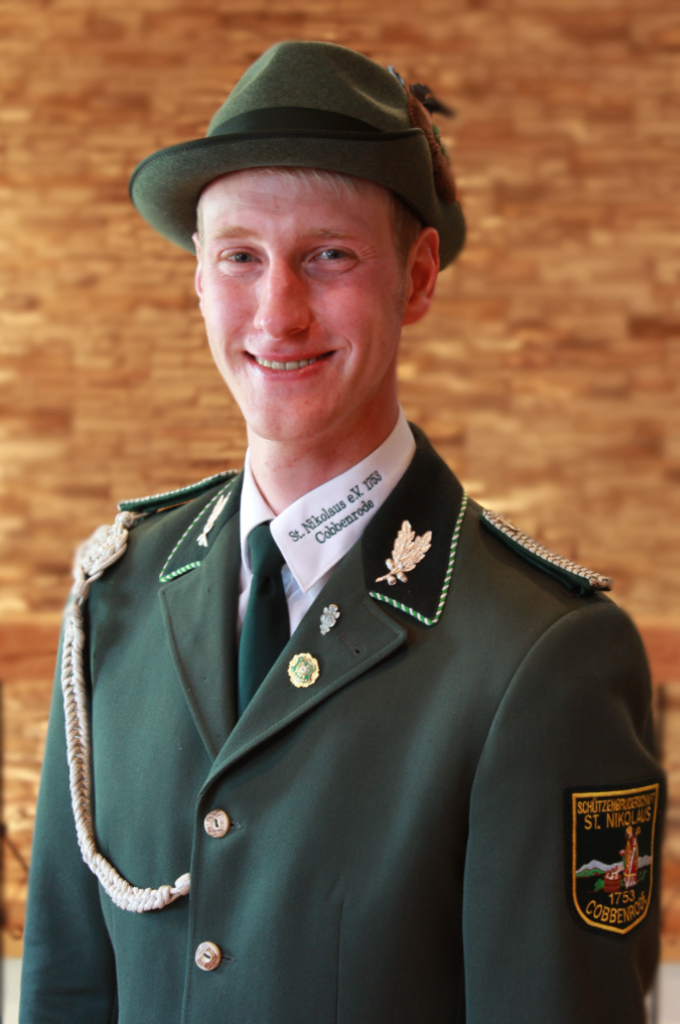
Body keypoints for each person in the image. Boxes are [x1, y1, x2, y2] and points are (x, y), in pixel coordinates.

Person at [20, 40, 663, 1024]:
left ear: (417, 277)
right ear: (198, 281)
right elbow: (68, 989)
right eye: (240, 256)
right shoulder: (117, 598)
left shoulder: (542, 655)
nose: (277, 314)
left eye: (328, 256)